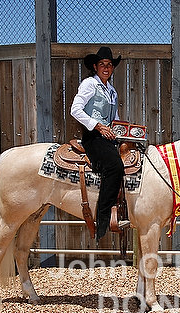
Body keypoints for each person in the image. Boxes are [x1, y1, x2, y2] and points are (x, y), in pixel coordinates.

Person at [70, 47, 124, 240]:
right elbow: (75, 110)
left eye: (109, 65)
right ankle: (103, 217)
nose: (106, 68)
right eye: (102, 64)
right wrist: (98, 126)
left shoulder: (112, 91)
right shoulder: (89, 84)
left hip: (109, 137)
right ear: (95, 67)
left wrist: (124, 132)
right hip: (93, 136)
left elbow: (115, 118)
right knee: (115, 167)